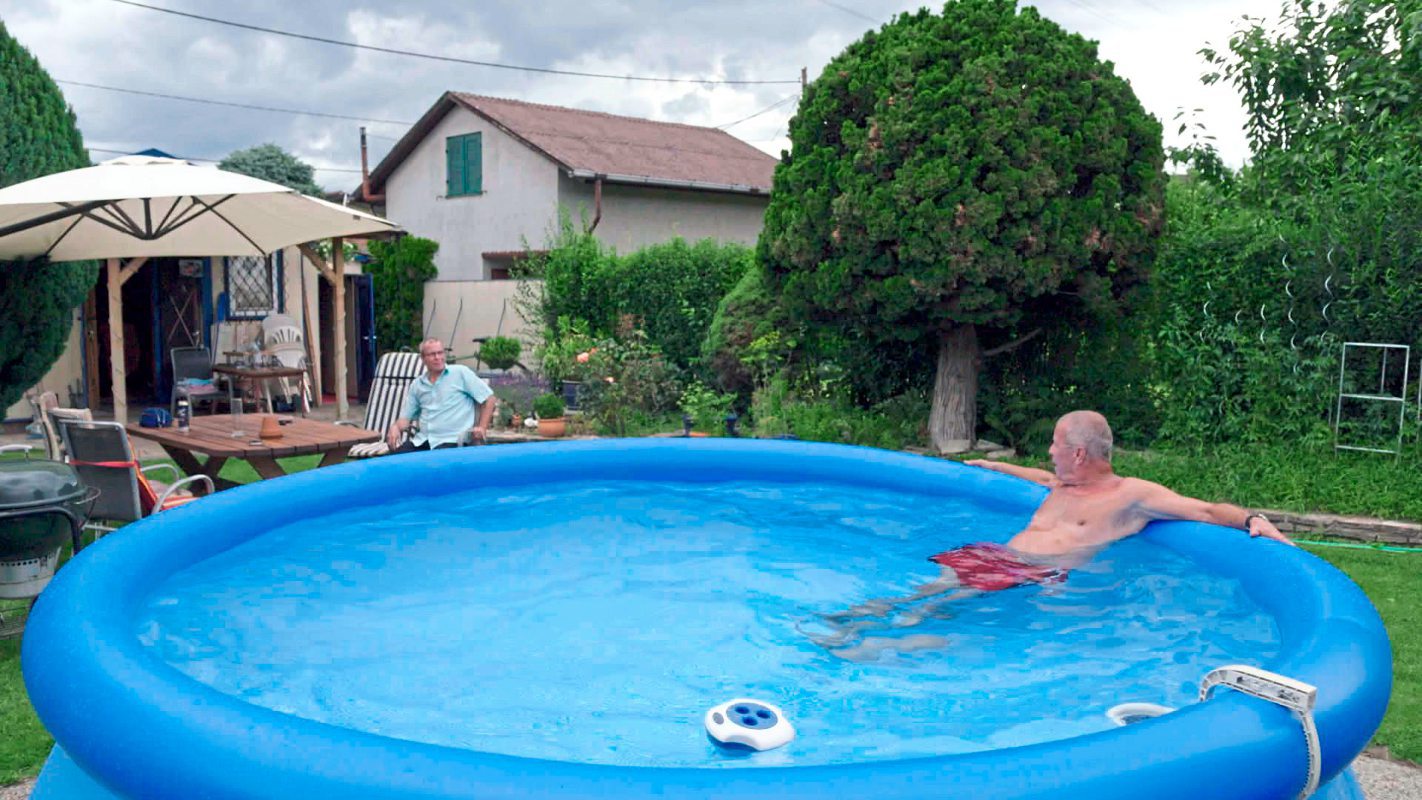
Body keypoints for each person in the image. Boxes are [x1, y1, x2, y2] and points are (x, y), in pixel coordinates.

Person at [813, 410, 1293, 660]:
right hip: (998, 555)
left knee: (939, 605)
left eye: (1057, 445)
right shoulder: (1062, 482)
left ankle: (874, 649)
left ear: (1080, 453)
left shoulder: (1131, 496)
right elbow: (1040, 478)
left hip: (1030, 571)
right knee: (926, 590)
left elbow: (1206, 509)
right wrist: (996, 465)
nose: (1050, 452)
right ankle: (852, 622)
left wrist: (1252, 520)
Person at [386, 338, 496, 453]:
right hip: (423, 441)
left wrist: (482, 428)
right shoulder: (417, 384)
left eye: (440, 353)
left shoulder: (460, 373)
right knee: (396, 459)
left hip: (452, 442)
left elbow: (489, 399)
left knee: (432, 462)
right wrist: (395, 427)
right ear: (423, 359)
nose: (437, 357)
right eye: (432, 354)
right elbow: (405, 418)